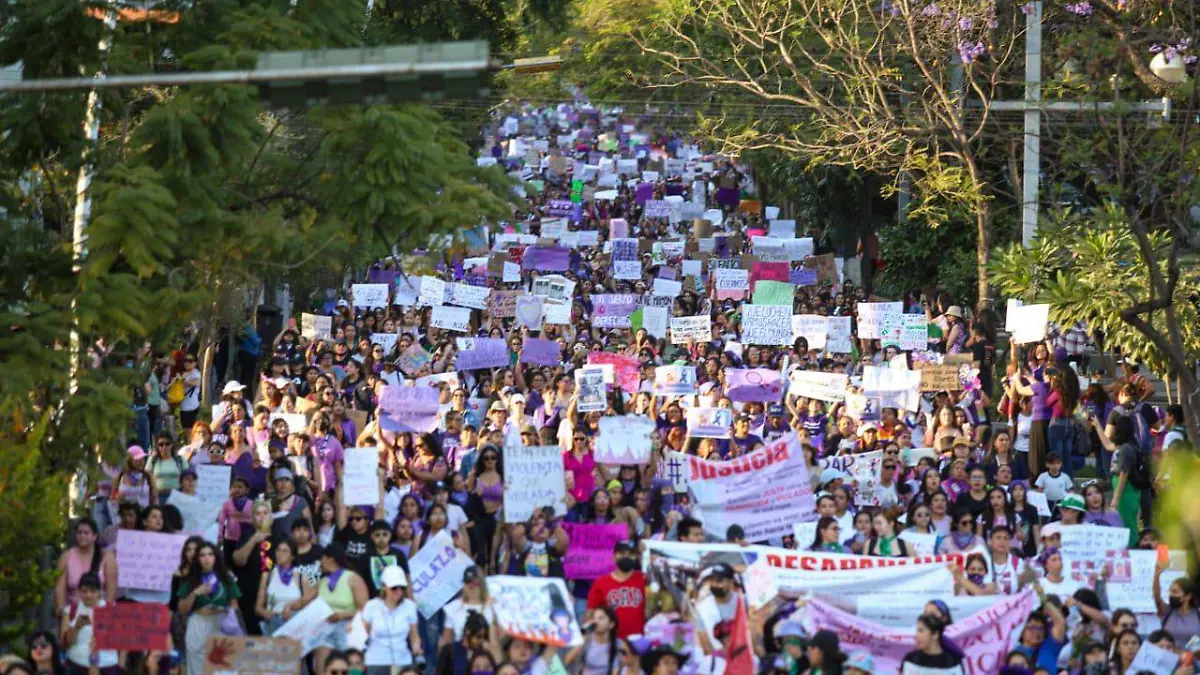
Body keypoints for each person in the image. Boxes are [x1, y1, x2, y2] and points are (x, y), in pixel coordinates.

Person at [176, 542, 241, 675]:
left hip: (220, 624)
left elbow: (235, 604)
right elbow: (182, 609)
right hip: (198, 623)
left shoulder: (226, 578)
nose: (207, 558)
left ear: (216, 557)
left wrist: (227, 613)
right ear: (197, 559)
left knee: (222, 668)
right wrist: (195, 593)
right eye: (202, 555)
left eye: (210, 554)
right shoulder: (191, 579)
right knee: (197, 667)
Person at [311, 542, 370, 669]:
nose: (320, 562)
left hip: (348, 628)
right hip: (325, 628)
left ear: (330, 558)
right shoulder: (322, 582)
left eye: (322, 559)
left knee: (351, 668)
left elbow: (366, 610)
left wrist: (343, 615)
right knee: (321, 668)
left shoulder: (353, 578)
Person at [361, 565, 424, 673]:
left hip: (402, 660)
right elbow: (362, 634)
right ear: (384, 586)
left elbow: (414, 635)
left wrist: (417, 649)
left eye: (402, 587)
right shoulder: (371, 606)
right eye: (394, 587)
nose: (398, 591)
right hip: (375, 661)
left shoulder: (410, 606)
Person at [59, 573, 121, 675]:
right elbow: (64, 643)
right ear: (79, 591)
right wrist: (76, 627)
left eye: (92, 591)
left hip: (107, 664)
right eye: (84, 591)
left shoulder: (111, 610)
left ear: (99, 591)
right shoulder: (71, 610)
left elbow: (122, 640)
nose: (88, 595)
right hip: (77, 664)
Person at [54, 519, 117, 616]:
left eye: (86, 533)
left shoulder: (107, 556)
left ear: (95, 536)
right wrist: (61, 609)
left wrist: (107, 612)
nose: (82, 536)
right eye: (79, 533)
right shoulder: (66, 556)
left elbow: (111, 589)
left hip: (99, 612)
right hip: (73, 612)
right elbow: (60, 587)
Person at [586, 540, 646, 638]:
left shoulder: (645, 579)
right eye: (622, 553)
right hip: (611, 643)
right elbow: (590, 614)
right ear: (614, 557)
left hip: (640, 641)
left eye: (631, 554)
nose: (626, 557)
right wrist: (586, 638)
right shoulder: (600, 582)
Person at [255, 538, 308, 636]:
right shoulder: (268, 575)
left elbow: (306, 602)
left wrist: (292, 607)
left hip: (293, 622)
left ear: (292, 556)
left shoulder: (300, 576)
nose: (280, 553)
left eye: (285, 551)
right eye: (278, 550)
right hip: (273, 621)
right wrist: (266, 613)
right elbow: (258, 608)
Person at [1152, 559, 1199, 647]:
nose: (1171, 595)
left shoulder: (1197, 614)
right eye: (1170, 591)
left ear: (1187, 596)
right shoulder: (1168, 612)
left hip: (1193, 659)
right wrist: (1156, 575)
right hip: (1169, 658)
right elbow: (1157, 598)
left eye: (1175, 592)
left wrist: (1188, 653)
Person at [563, 606, 621, 675]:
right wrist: (582, 641)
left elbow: (616, 670)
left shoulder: (618, 644)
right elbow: (566, 661)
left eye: (601, 618)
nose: (596, 621)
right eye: (594, 618)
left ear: (611, 624)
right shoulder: (587, 640)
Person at [900, 614, 965, 674]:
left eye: (921, 631)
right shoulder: (910, 659)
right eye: (917, 630)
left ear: (935, 634)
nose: (916, 636)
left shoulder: (953, 662)